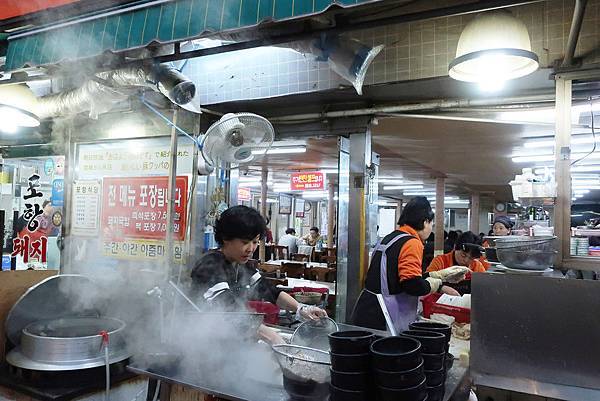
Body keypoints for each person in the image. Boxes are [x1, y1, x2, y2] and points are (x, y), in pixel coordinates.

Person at [190, 206, 327, 344]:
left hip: (229, 339)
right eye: (244, 242)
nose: (251, 249)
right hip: (202, 344)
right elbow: (228, 308)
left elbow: (268, 290)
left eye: (255, 242)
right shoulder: (209, 264)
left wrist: (301, 308)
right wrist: (271, 336)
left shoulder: (240, 264)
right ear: (226, 238)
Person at [351, 197, 469, 333]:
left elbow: (398, 276)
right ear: (425, 222)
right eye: (432, 224)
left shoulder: (391, 237)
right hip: (382, 316)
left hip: (367, 308)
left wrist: (439, 276)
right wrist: (435, 284)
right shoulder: (412, 242)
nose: (431, 228)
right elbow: (412, 285)